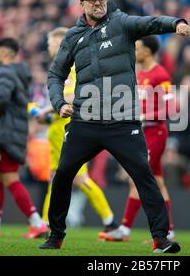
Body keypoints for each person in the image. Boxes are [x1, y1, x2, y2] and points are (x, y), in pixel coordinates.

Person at [40, 0, 190, 253]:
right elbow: (55, 75)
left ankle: (161, 239)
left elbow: (152, 22)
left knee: (145, 176)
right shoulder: (72, 36)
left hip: (122, 121)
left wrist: (176, 22)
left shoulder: (122, 23)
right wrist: (59, 102)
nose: (98, 3)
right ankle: (56, 235)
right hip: (85, 120)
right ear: (82, 4)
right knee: (62, 176)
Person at [35, 27, 118, 234]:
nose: (48, 47)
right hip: (56, 127)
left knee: (80, 179)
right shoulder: (60, 67)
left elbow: (72, 98)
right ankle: (44, 224)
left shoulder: (71, 66)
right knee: (54, 177)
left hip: (69, 128)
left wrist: (47, 108)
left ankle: (110, 221)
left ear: (59, 43)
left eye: (50, 43)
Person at [98, 35, 177, 242]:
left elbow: (172, 107)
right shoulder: (141, 74)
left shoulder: (160, 74)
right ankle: (169, 232)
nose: (134, 52)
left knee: (137, 180)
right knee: (158, 182)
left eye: (137, 48)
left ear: (147, 51)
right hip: (143, 133)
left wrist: (145, 116)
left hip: (155, 133)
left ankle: (124, 230)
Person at [0, 38, 48, 239]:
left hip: (4, 132)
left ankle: (36, 222)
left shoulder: (5, 72)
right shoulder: (18, 73)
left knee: (9, 178)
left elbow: (1, 98)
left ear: (5, 53)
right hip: (10, 131)